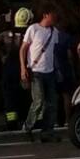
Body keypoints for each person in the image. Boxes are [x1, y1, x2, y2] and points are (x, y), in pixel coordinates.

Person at [20, 9, 61, 141]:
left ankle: (47, 131)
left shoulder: (54, 32)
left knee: (51, 103)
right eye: (53, 14)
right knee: (38, 101)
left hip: (49, 71)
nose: (55, 18)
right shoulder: (34, 29)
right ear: (45, 15)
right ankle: (28, 126)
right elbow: (23, 48)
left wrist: (57, 69)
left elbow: (53, 52)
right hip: (36, 70)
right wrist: (23, 67)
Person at [0, 9, 31, 130]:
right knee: (24, 94)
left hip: (8, 70)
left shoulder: (6, 34)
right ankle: (24, 119)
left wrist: (2, 55)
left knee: (9, 96)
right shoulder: (29, 35)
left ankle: (11, 122)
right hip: (23, 68)